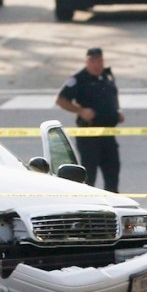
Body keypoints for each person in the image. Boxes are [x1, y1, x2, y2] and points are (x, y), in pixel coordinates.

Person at [56, 47, 124, 192]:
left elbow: (113, 95)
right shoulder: (79, 79)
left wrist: (117, 111)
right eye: (92, 61)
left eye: (99, 61)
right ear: (86, 62)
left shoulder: (107, 76)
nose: (96, 65)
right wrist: (80, 111)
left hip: (108, 135)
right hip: (89, 137)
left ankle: (113, 203)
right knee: (89, 178)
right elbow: (61, 100)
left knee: (113, 175)